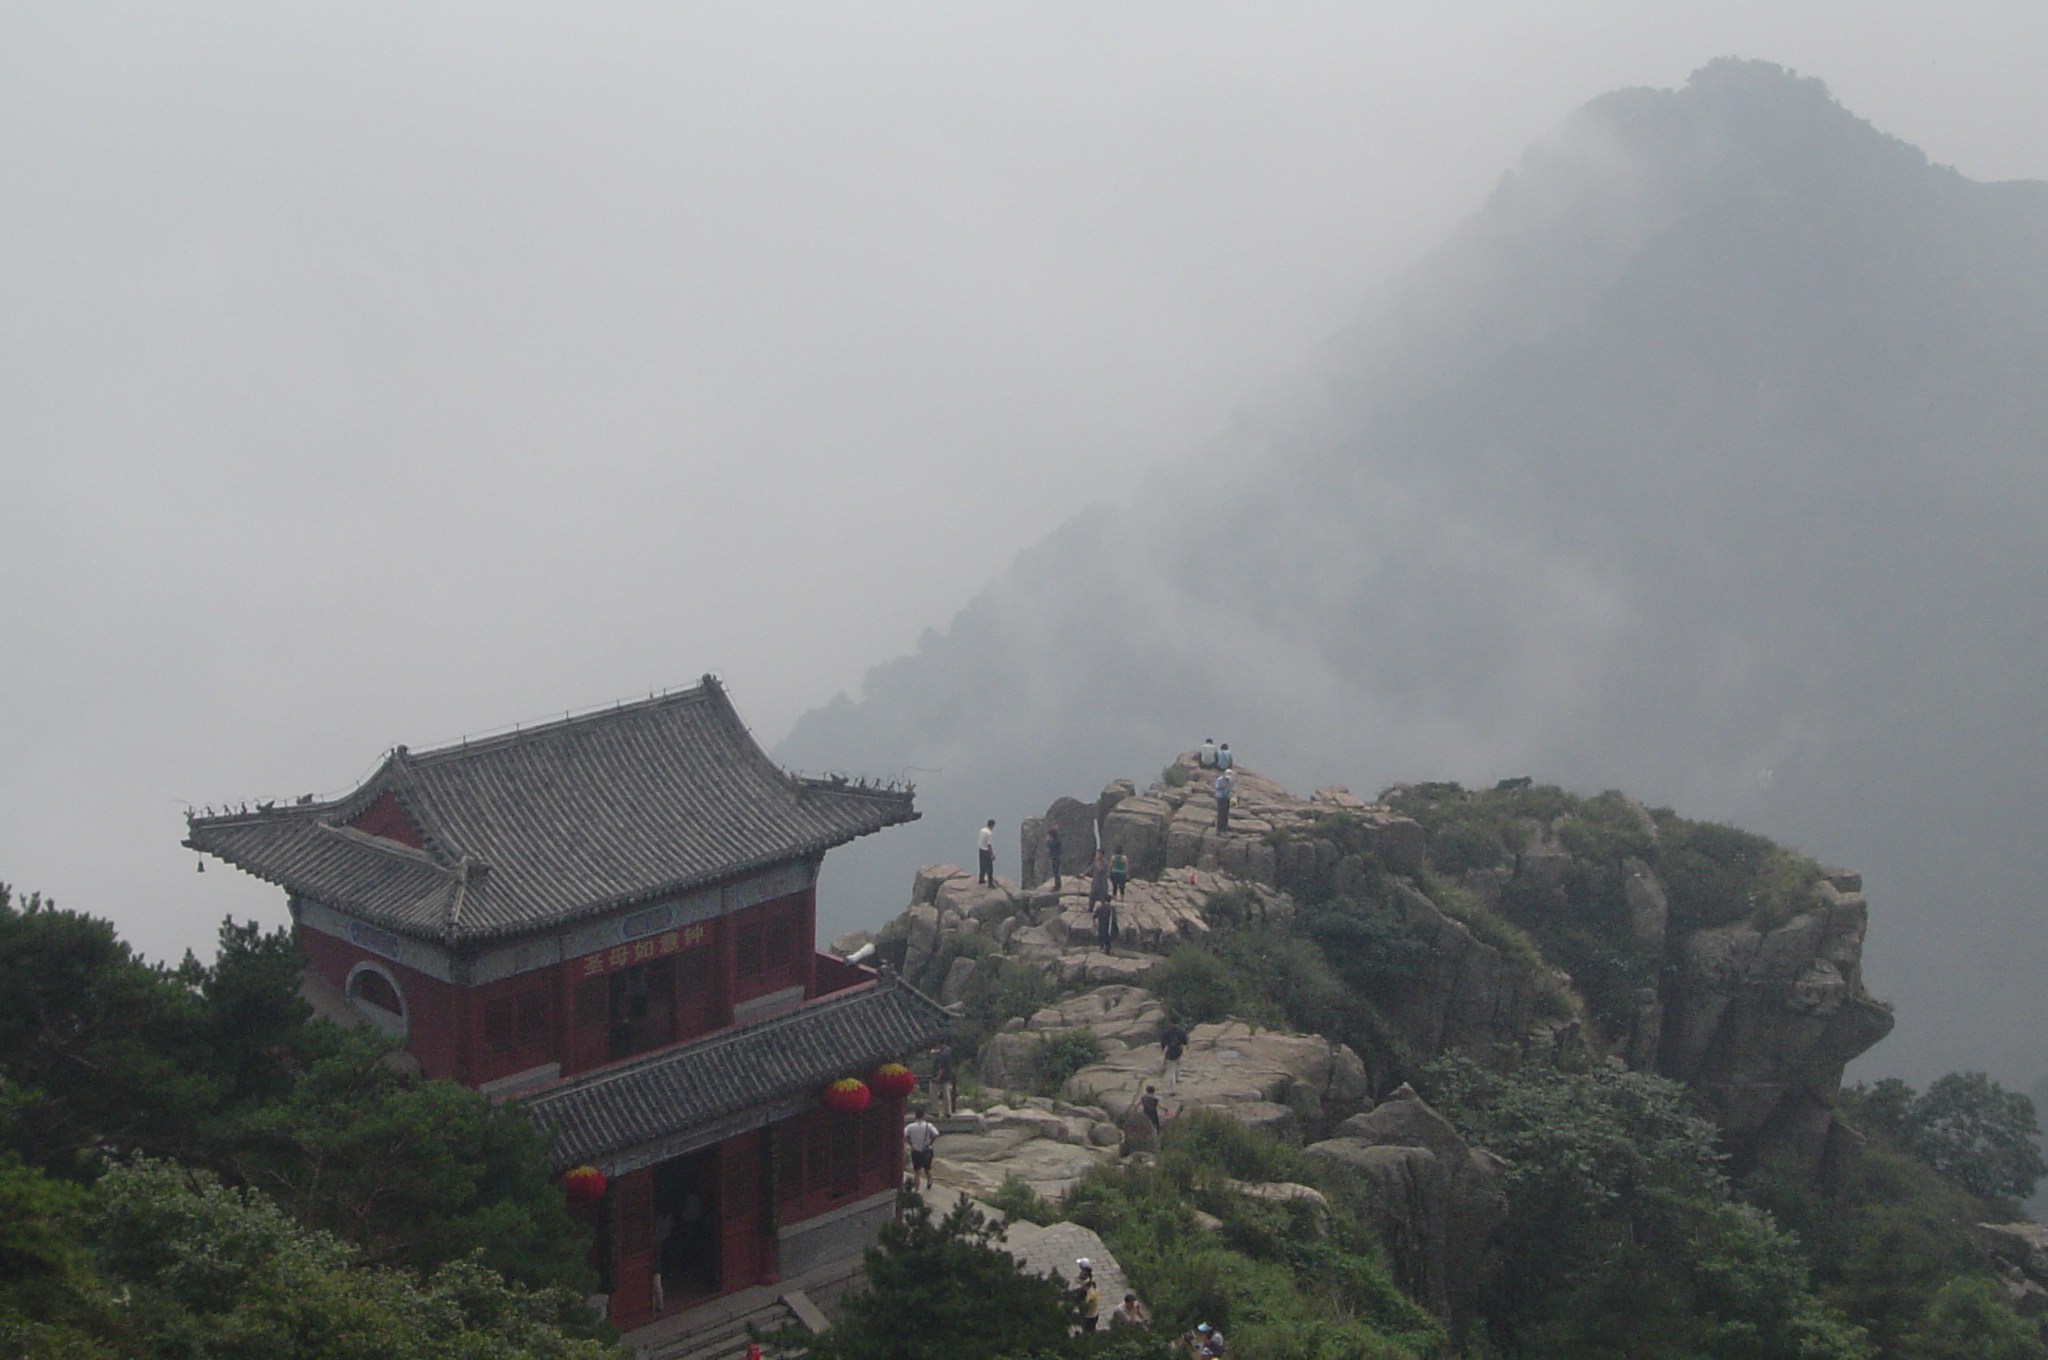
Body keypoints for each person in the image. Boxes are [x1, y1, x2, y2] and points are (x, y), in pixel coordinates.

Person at [904, 1106, 941, 1191]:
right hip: (926, 1150)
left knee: (917, 1172)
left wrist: (910, 1144)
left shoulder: (910, 1127)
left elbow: (904, 1135)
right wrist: (930, 1143)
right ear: (923, 1116)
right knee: (927, 1168)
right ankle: (929, 1180)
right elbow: (936, 1134)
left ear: (915, 1116)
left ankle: (916, 1190)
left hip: (915, 1150)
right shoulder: (928, 1125)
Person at [1159, 1017, 1188, 1093]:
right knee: (1178, 1063)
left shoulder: (1166, 1032)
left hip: (1170, 1051)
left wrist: (1162, 1051)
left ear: (1170, 1023)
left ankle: (1172, 1090)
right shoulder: (1181, 1031)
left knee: (1171, 1070)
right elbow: (1185, 1042)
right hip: (1178, 1050)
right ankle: (1177, 1077)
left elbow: (1163, 1044)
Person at [1076, 1259, 1100, 1331]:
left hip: (1090, 1316)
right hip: (1091, 1314)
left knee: (1088, 1330)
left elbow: (1085, 1303)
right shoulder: (1091, 1284)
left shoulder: (1091, 1294)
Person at [1213, 768, 1235, 832]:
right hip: (1220, 797)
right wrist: (1223, 786)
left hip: (1226, 797)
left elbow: (1230, 790)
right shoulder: (1220, 780)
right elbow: (1217, 788)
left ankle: (1224, 829)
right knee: (1221, 814)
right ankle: (1219, 829)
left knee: (1226, 814)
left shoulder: (1230, 781)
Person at [978, 819, 996, 886]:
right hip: (986, 851)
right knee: (989, 868)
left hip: (981, 849)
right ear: (992, 825)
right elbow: (989, 845)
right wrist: (992, 854)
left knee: (982, 865)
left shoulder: (982, 830)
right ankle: (990, 884)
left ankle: (981, 879)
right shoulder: (989, 833)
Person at [1045, 825, 1064, 890]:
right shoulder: (1057, 840)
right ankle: (1057, 884)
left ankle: (1057, 886)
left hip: (1055, 858)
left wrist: (1047, 840)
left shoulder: (1054, 841)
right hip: (1057, 857)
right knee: (1056, 872)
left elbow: (1050, 846)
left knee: (1056, 872)